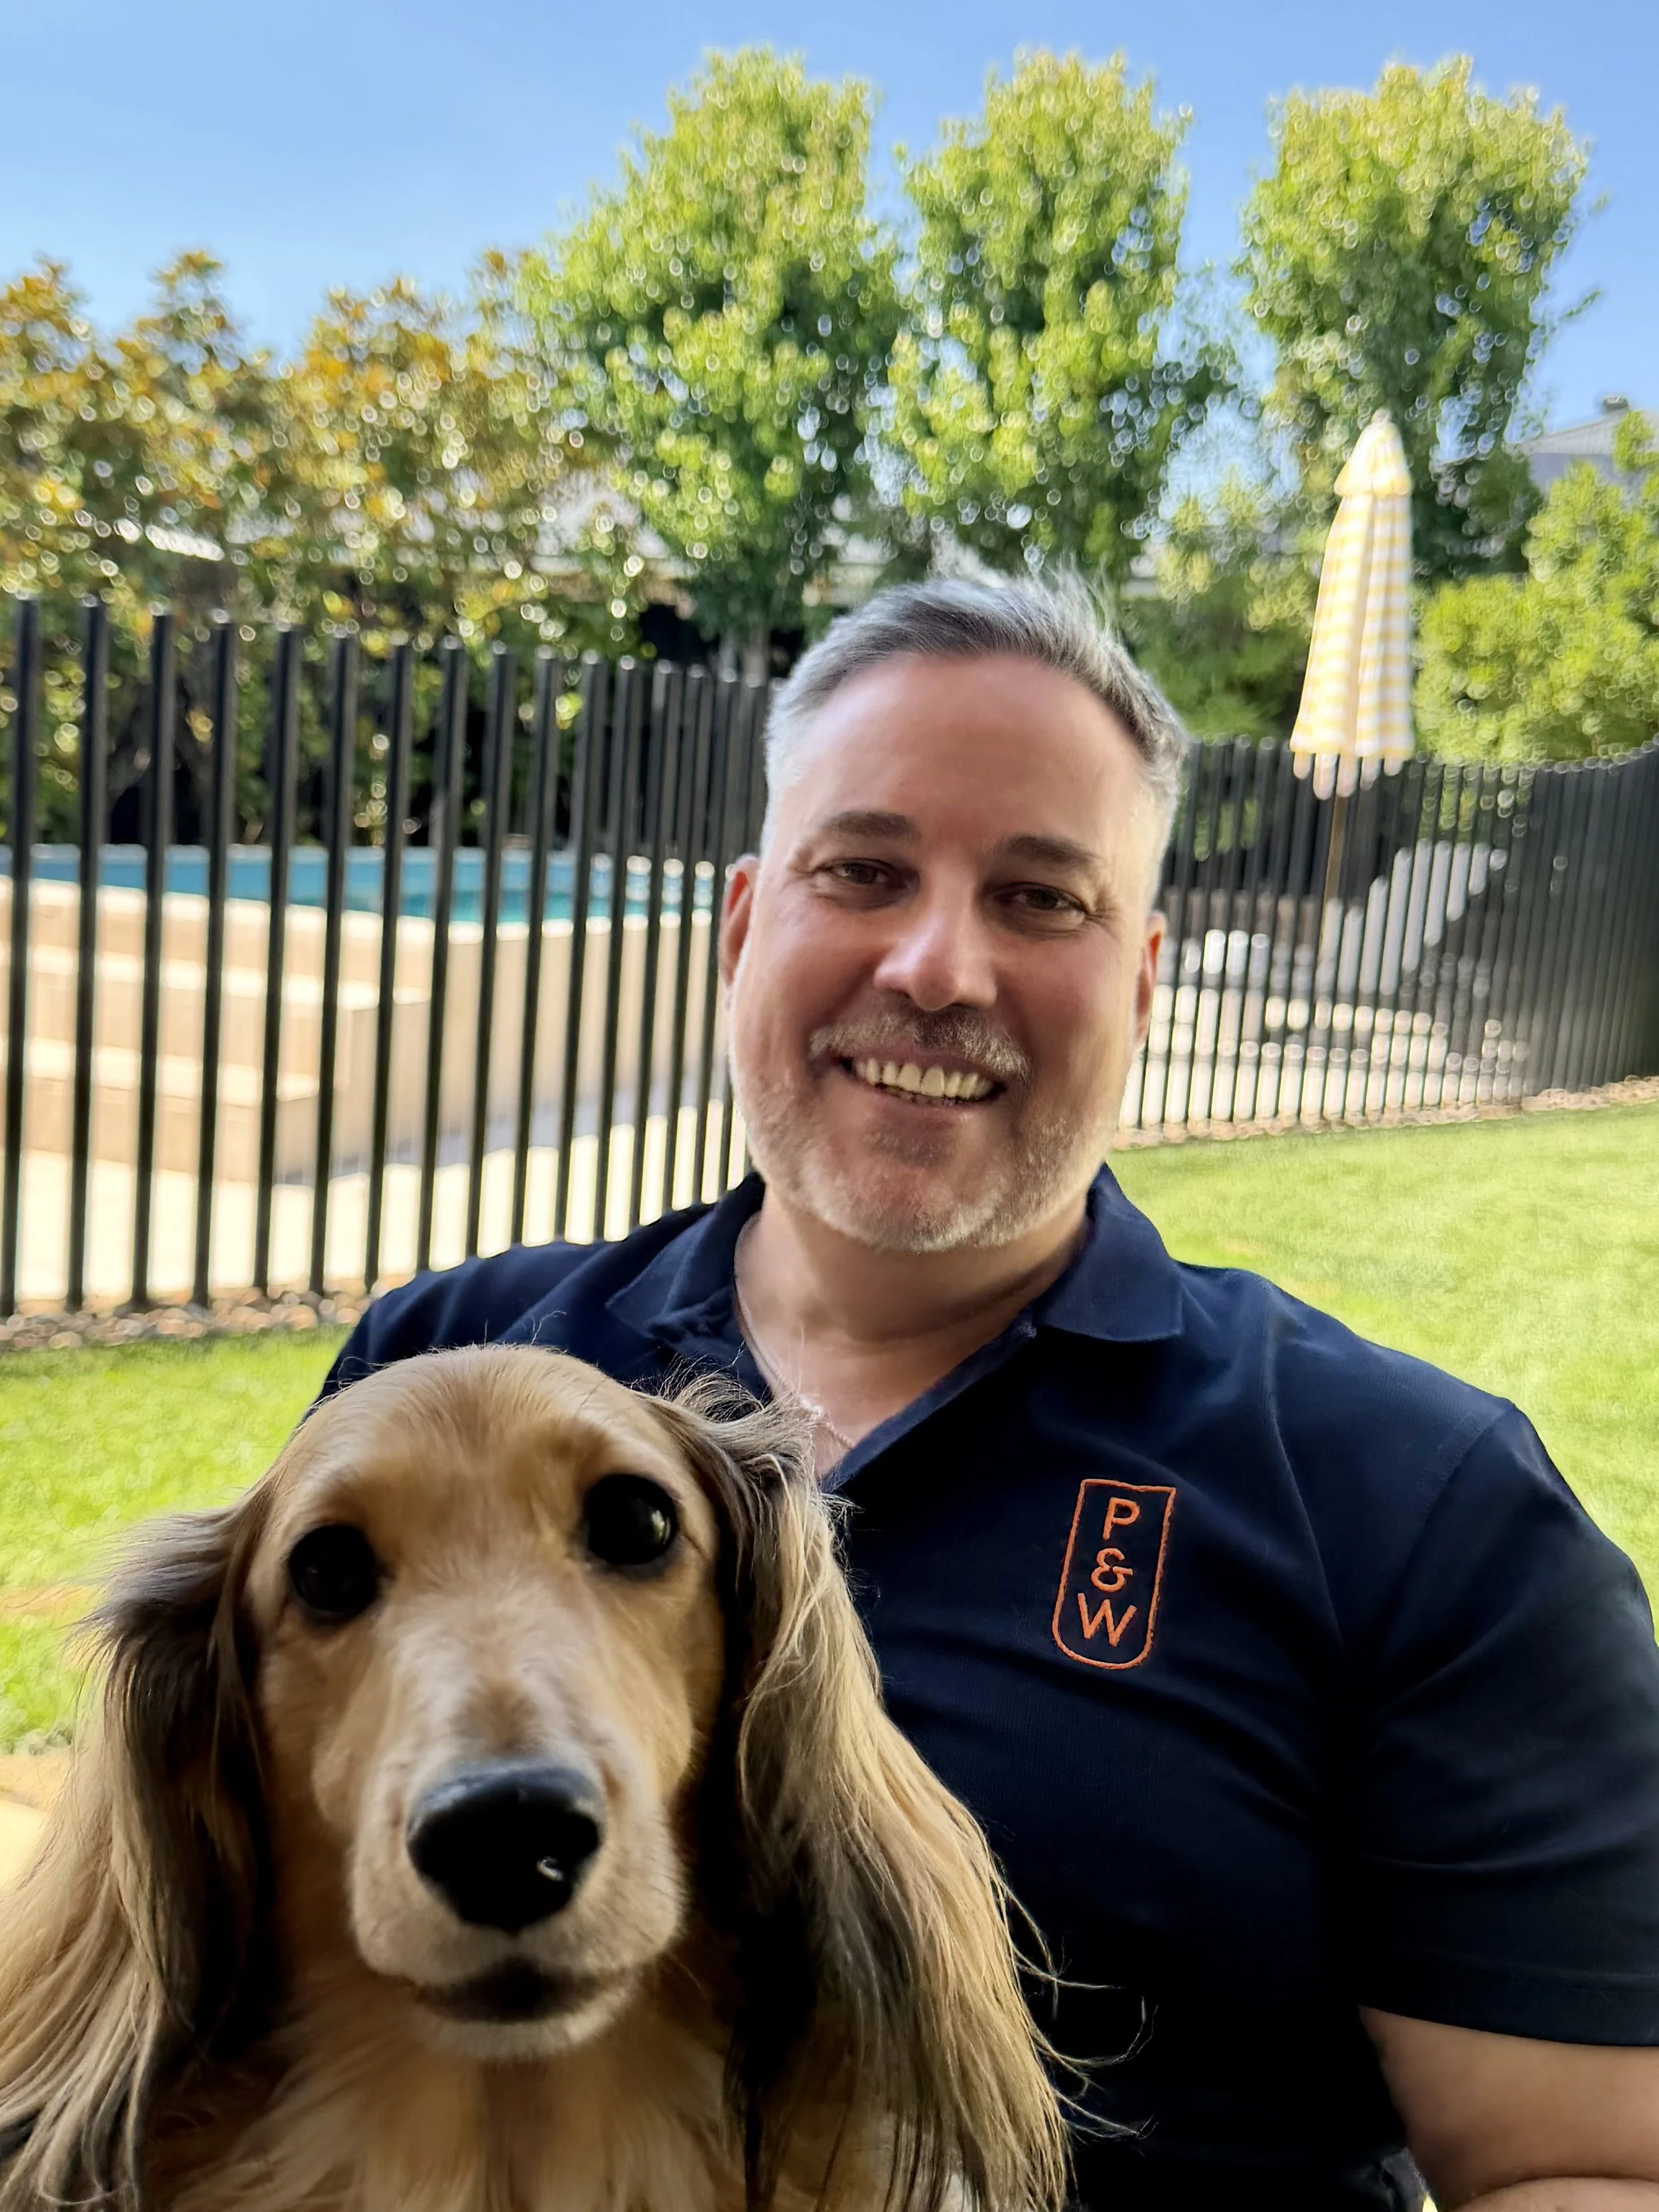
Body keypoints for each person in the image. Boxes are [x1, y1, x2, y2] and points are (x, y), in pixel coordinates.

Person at [323, 578, 1659, 2211]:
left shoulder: (1411, 1501)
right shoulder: (438, 1365)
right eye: (863, 871)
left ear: (1145, 976)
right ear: (746, 923)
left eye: (1040, 898)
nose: (938, 965)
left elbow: (1585, 2166)